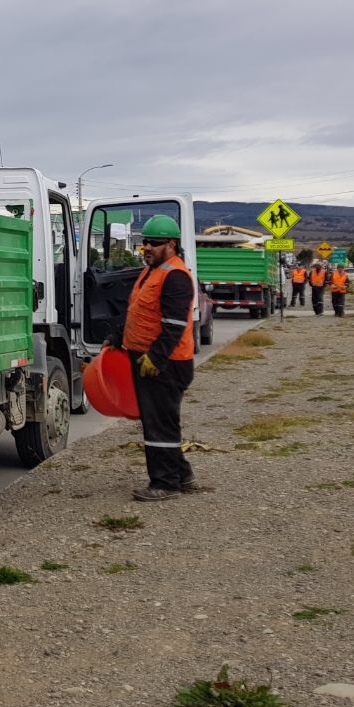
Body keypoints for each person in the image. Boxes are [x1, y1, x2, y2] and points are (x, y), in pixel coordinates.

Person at [109, 214, 198, 502]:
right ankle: (181, 475)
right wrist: (118, 337)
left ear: (171, 245)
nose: (147, 248)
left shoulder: (176, 277)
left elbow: (174, 325)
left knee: (160, 423)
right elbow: (139, 312)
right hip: (148, 359)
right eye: (144, 242)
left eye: (154, 243)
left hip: (167, 364)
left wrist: (155, 359)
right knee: (159, 420)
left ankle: (165, 483)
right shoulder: (151, 271)